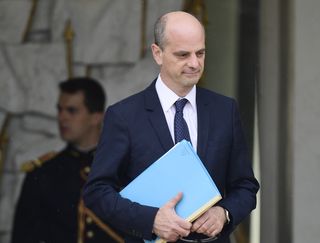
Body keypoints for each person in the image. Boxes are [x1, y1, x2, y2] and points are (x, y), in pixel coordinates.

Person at [82, 11, 259, 243]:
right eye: (183, 54)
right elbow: (97, 192)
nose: (195, 63)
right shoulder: (124, 116)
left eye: (201, 53)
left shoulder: (225, 110)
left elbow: (245, 185)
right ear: (158, 53)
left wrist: (223, 213)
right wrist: (151, 220)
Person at [11, 77, 124, 243]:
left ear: (96, 117)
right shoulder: (42, 174)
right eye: (60, 110)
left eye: (72, 111)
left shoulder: (125, 168)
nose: (62, 117)